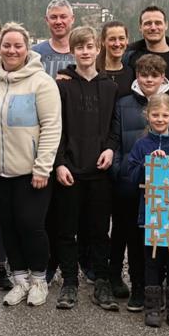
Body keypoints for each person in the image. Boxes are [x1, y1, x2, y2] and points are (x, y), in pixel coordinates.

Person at [0, 25, 63, 307]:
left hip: (32, 172)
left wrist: (43, 167)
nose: (12, 50)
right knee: (8, 226)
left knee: (31, 226)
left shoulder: (41, 83)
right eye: (7, 45)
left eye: (18, 45)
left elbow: (52, 127)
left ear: (27, 48)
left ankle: (39, 279)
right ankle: (19, 280)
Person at [53, 26, 119, 310]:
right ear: (73, 51)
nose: (85, 52)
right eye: (79, 47)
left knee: (98, 230)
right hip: (70, 169)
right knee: (67, 229)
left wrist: (110, 149)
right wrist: (59, 163)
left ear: (97, 49)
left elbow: (115, 126)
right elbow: (54, 128)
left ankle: (102, 282)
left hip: (99, 170)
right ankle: (69, 282)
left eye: (90, 46)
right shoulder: (63, 85)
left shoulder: (110, 86)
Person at [110, 55, 169, 311]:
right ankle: (140, 288)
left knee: (163, 240)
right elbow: (115, 140)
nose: (149, 79)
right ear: (137, 77)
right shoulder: (123, 104)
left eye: (154, 75)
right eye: (144, 75)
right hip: (132, 182)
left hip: (165, 189)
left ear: (163, 78)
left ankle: (165, 289)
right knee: (135, 238)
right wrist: (120, 172)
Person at [125, 93, 169, 329]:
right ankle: (152, 307)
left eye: (165, 115)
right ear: (147, 116)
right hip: (149, 216)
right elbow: (130, 178)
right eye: (155, 115)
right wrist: (148, 165)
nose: (160, 119)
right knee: (152, 261)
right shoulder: (141, 145)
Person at [123, 4, 169, 82]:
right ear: (140, 27)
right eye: (148, 23)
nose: (153, 28)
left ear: (166, 25)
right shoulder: (128, 56)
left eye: (158, 23)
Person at [31, 0, 76, 77]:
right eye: (53, 17)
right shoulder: (35, 53)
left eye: (63, 17)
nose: (58, 22)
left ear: (72, 19)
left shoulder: (85, 53)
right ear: (47, 20)